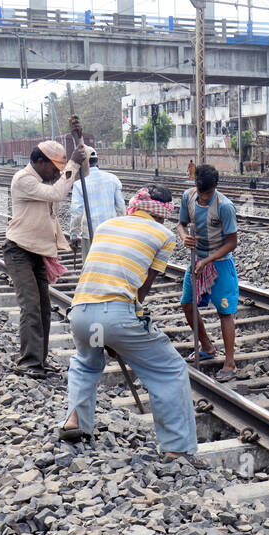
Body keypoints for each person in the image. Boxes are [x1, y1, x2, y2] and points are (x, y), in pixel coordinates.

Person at [60, 183, 198, 461]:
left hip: (81, 311)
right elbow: (142, 288)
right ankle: (177, 447)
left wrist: (110, 337)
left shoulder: (107, 225)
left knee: (86, 364)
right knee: (169, 370)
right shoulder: (163, 235)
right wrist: (121, 333)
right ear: (163, 213)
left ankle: (74, 420)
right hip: (116, 312)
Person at [3, 129, 87, 378]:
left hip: (38, 251)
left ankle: (40, 359)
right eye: (54, 168)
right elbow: (57, 193)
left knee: (44, 308)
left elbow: (60, 189)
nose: (57, 173)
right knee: (30, 307)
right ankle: (29, 361)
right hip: (18, 250)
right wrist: (73, 162)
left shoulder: (42, 181)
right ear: (40, 162)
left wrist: (76, 139)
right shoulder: (23, 180)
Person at [179, 164, 240, 383]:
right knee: (187, 304)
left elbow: (232, 242)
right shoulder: (188, 197)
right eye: (201, 194)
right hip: (197, 259)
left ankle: (230, 362)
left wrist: (208, 260)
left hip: (219, 262)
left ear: (215, 187)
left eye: (207, 195)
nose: (203, 199)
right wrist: (184, 236)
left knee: (225, 311)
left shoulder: (225, 207)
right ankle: (206, 346)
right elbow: (181, 224)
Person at [66, 147, 124, 263]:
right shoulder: (113, 179)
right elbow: (121, 207)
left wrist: (74, 234)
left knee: (90, 265)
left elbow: (77, 212)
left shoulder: (79, 184)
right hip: (111, 231)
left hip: (90, 232)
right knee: (110, 264)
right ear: (96, 160)